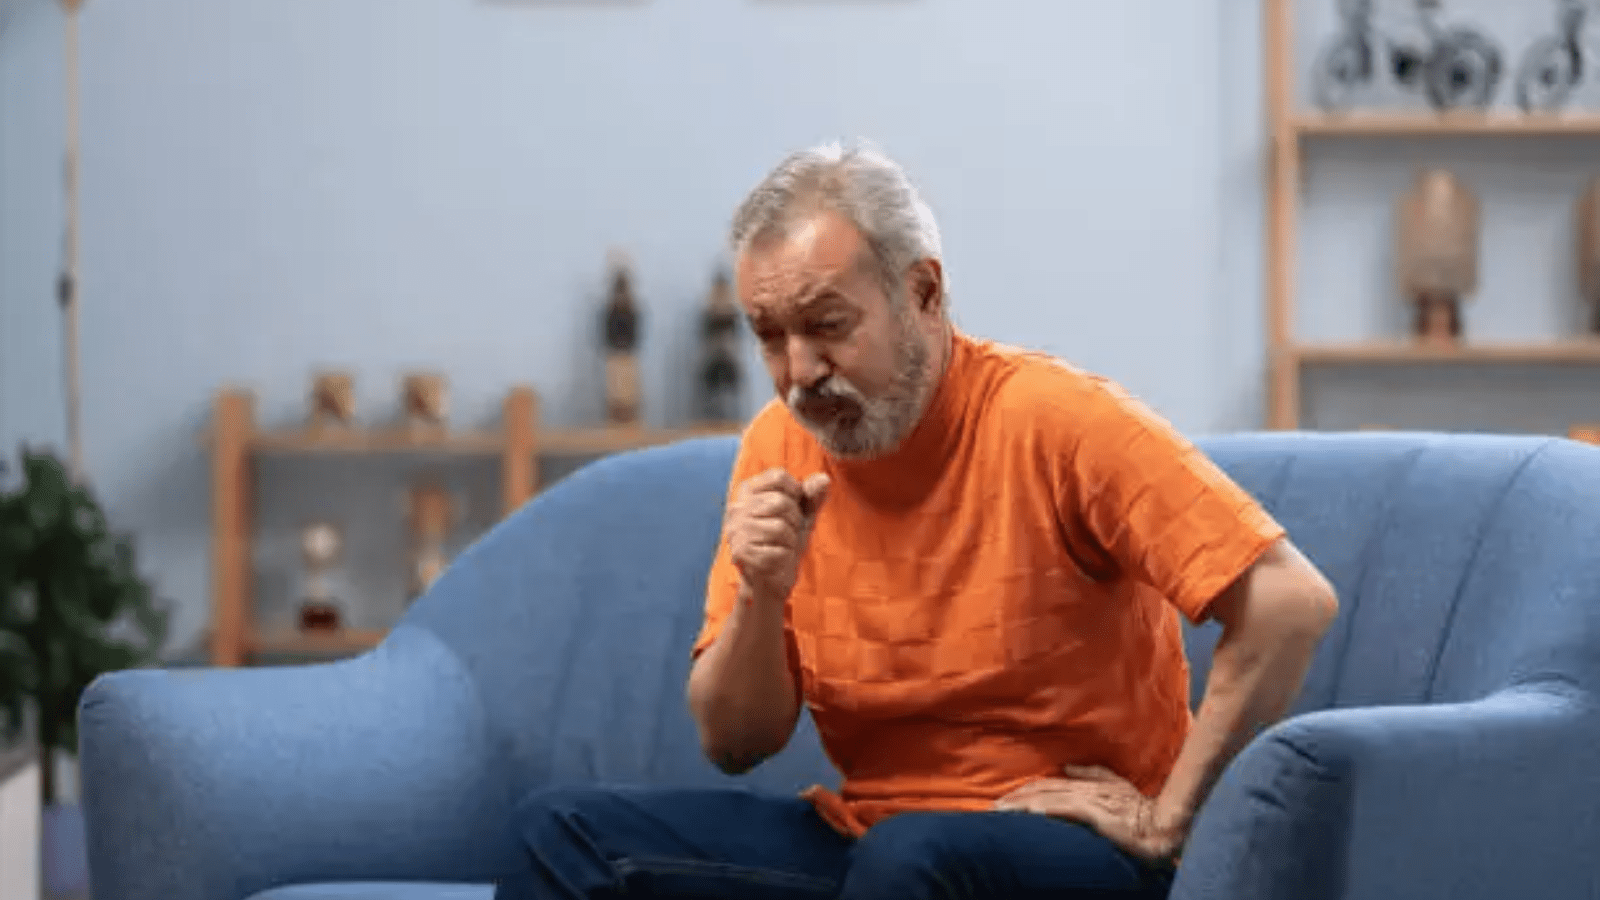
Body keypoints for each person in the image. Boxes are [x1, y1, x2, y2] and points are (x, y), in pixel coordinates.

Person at [494, 143, 1339, 900]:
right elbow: (733, 741)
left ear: (923, 292)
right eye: (770, 337)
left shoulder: (1056, 419)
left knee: (911, 857)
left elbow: (1290, 601)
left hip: (1076, 850)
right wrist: (762, 592)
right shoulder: (778, 445)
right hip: (876, 841)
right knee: (559, 834)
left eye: (827, 326)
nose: (798, 371)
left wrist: (1170, 817)